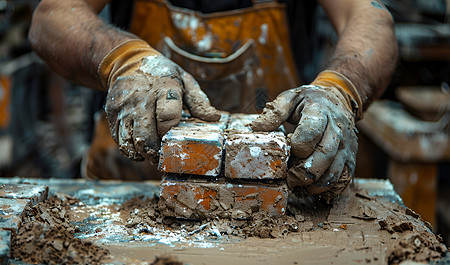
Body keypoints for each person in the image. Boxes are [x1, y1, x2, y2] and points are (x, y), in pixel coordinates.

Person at [28, 0, 397, 199]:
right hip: (127, 191)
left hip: (276, 198)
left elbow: (371, 18)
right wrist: (125, 60)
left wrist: (340, 87)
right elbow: (51, 16)